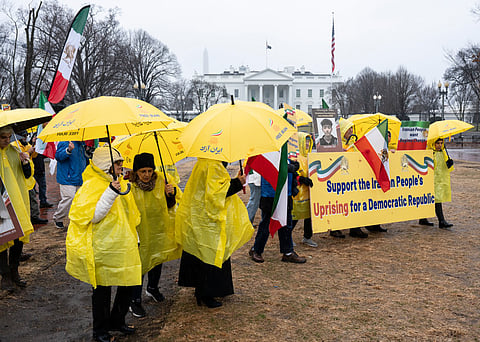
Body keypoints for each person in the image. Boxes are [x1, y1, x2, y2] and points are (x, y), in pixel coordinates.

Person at [66, 146, 141, 342]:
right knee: (102, 289)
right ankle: (100, 330)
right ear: (105, 165)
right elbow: (93, 216)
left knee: (128, 281)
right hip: (102, 245)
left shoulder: (118, 183)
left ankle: (117, 320)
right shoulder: (92, 185)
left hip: (123, 242)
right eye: (117, 163)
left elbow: (129, 214)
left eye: (121, 163)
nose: (121, 167)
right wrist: (110, 192)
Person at [176, 159, 253, 308]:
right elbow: (216, 194)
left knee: (202, 253)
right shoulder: (212, 164)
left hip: (200, 215)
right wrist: (238, 182)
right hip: (207, 219)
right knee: (209, 255)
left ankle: (205, 290)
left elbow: (214, 185)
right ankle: (205, 293)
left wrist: (234, 181)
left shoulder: (205, 162)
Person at [128, 153, 180, 318]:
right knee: (140, 264)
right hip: (139, 232)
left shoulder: (161, 181)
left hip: (158, 228)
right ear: (136, 172)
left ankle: (152, 288)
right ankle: (134, 299)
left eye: (150, 170)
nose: (147, 175)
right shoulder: (130, 186)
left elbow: (170, 205)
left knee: (157, 258)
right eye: (143, 171)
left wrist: (170, 193)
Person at [249, 159, 307, 263]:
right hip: (270, 193)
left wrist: (291, 164)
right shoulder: (268, 150)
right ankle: (256, 250)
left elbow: (287, 162)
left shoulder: (283, 147)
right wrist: (288, 167)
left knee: (286, 224)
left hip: (286, 193)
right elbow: (267, 166)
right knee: (266, 224)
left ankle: (288, 252)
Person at [0, 126, 35, 292]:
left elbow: (27, 175)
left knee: (18, 237)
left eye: (8, 137)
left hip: (17, 201)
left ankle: (14, 271)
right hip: (1, 204)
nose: (7, 140)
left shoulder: (15, 151)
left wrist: (25, 162)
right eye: (3, 137)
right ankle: (5, 275)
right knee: (2, 238)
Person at [11, 131, 47, 225]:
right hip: (22, 178)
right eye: (24, 136)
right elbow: (18, 158)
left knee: (33, 199)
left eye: (26, 136)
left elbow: (33, 156)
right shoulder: (14, 145)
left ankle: (34, 217)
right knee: (25, 201)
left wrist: (33, 148)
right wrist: (28, 152)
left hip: (30, 178)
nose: (25, 138)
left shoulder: (26, 144)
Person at [53, 140, 87, 229]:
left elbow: (83, 159)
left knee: (80, 200)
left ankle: (78, 218)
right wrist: (68, 150)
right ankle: (58, 218)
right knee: (69, 198)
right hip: (67, 178)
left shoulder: (81, 143)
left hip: (79, 177)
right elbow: (58, 156)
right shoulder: (65, 142)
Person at [292, 132, 317, 247]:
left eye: (309, 141)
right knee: (295, 216)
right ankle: (288, 236)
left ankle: (307, 237)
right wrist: (301, 179)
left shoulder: (311, 157)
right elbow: (292, 174)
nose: (307, 144)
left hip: (309, 192)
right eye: (305, 141)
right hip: (298, 193)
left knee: (309, 216)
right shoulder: (295, 158)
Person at [430, 138, 454, 229]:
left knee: (437, 199)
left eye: (441, 143)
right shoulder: (431, 153)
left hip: (440, 180)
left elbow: (446, 167)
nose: (440, 145)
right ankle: (441, 220)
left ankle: (424, 219)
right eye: (438, 143)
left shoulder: (443, 153)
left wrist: (449, 164)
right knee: (435, 199)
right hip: (432, 180)